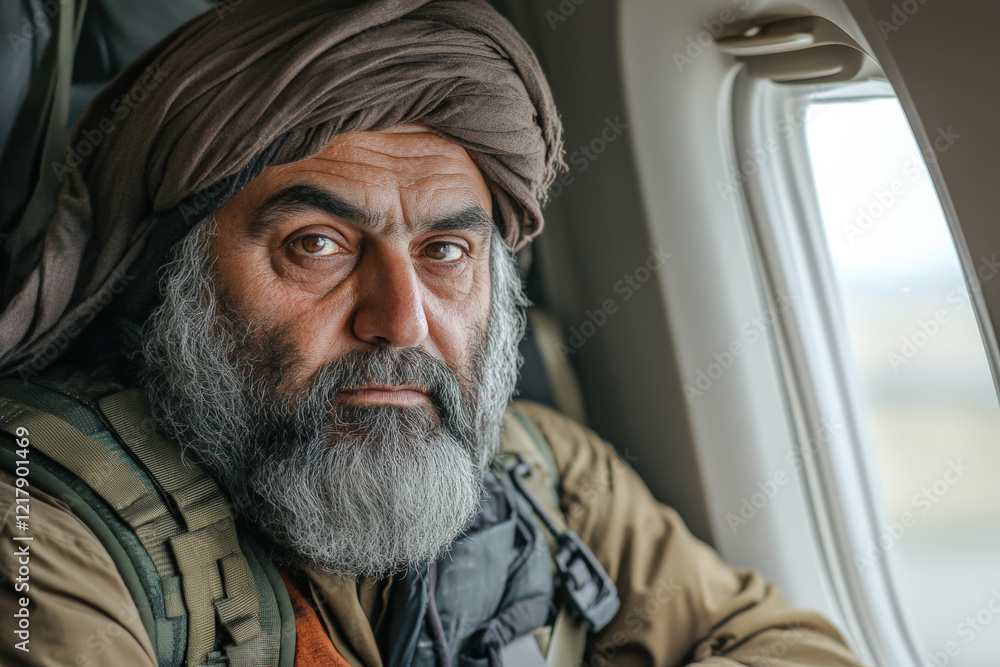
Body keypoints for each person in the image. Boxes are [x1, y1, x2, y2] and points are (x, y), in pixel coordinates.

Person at [0, 0, 867, 665]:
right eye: (319, 245)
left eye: (446, 249)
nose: (402, 320)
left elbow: (785, 641)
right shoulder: (44, 528)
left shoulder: (542, 469)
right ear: (173, 278)